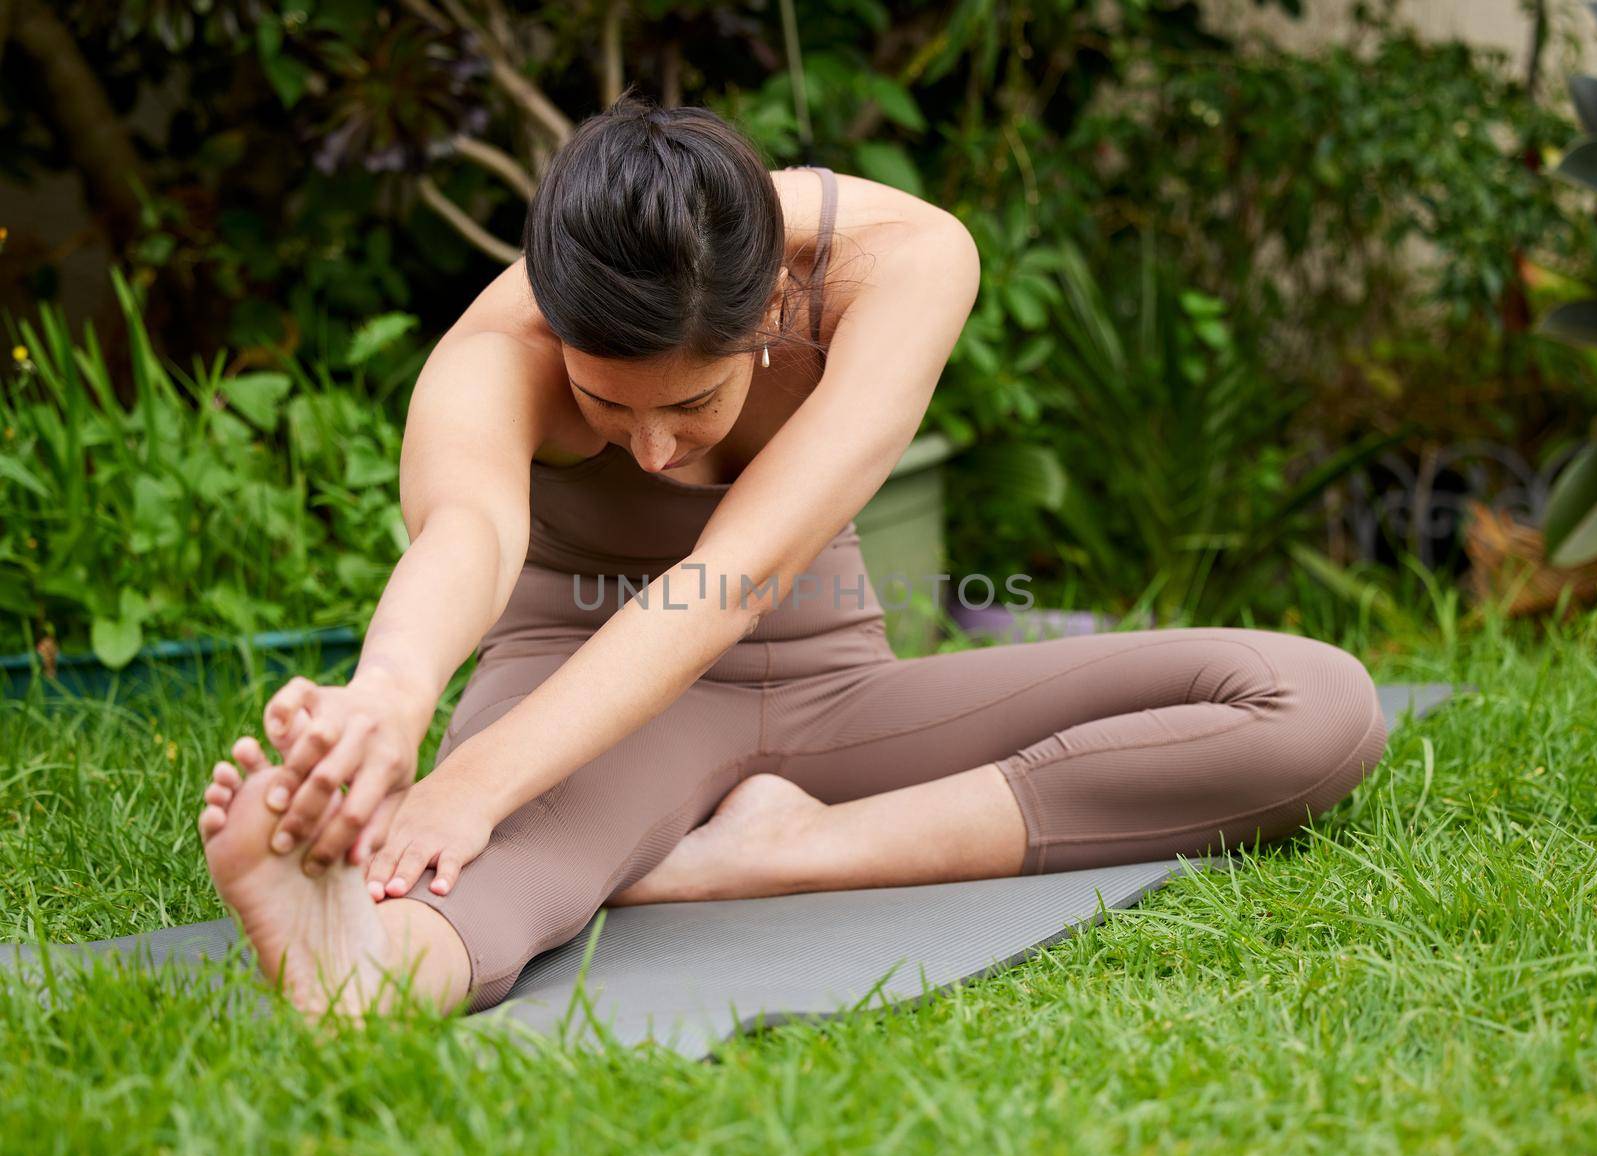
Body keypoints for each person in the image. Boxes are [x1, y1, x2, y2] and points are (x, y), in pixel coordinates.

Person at [196, 95, 1389, 1019]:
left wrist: (477, 773)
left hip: (831, 685)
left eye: (694, 403)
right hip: (582, 679)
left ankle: (785, 848)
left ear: (769, 307)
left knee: (1315, 703)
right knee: (484, 865)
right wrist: (396, 700)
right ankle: (361, 961)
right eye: (606, 407)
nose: (652, 453)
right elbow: (469, 533)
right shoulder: (496, 349)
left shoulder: (905, 260)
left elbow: (729, 582)